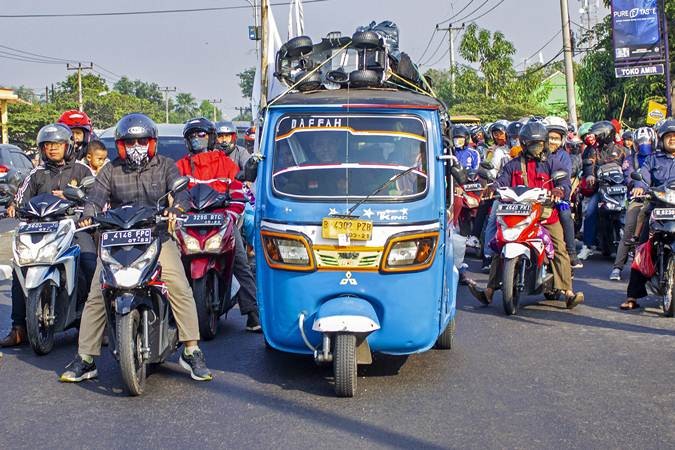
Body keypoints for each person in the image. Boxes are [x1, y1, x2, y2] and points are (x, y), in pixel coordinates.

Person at [59, 113, 212, 383]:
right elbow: (95, 198)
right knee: (97, 292)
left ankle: (191, 350)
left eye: (142, 140)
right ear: (120, 145)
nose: (136, 146)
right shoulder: (110, 169)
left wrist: (177, 207)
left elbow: (182, 193)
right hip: (117, 239)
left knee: (177, 285)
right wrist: (87, 213)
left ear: (152, 142)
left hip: (156, 236)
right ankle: (85, 358)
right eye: (130, 141)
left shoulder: (165, 166)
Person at [468, 121, 585, 309]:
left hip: (544, 214)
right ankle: (489, 292)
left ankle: (568, 292)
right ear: (524, 144)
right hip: (517, 213)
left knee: (558, 247)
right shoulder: (513, 165)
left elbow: (563, 181)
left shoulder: (552, 162)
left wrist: (559, 191)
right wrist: (492, 188)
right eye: (533, 144)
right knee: (501, 244)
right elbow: (501, 181)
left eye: (540, 143)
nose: (538, 148)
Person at [0, 124, 96, 347]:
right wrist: (14, 206)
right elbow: (21, 198)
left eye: (57, 145)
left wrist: (84, 210)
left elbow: (96, 198)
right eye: (47, 145)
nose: (52, 149)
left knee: (90, 265)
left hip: (74, 229)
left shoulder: (82, 171)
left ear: (68, 146)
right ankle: (18, 328)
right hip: (41, 231)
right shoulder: (36, 174)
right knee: (19, 268)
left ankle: (95, 325)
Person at [176, 117, 261, 332]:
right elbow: (173, 195)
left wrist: (231, 216)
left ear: (211, 138)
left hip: (221, 221)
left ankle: (253, 313)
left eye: (201, 135)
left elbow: (238, 193)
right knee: (171, 263)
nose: (197, 140)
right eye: (192, 136)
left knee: (240, 262)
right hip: (189, 224)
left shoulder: (225, 163)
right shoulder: (180, 166)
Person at [619, 118, 675, 310]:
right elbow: (643, 177)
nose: (672, 140)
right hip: (657, 206)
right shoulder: (652, 159)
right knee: (643, 248)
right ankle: (632, 296)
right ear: (661, 139)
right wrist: (640, 187)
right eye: (669, 137)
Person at [609, 127, 656, 280]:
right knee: (629, 230)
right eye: (640, 142)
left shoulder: (660, 157)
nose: (644, 145)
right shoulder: (630, 159)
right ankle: (617, 268)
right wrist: (637, 187)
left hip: (661, 198)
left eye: (647, 141)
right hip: (639, 198)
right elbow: (629, 177)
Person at [578, 120, 627, 260]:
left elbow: (628, 167)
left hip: (619, 189)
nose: (595, 136)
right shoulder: (593, 150)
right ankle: (587, 246)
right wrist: (590, 175)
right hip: (600, 189)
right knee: (590, 213)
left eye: (598, 134)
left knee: (628, 212)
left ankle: (629, 242)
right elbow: (588, 164)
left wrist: (631, 181)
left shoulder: (621, 150)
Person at [544, 116, 583, 269]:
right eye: (550, 137)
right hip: (535, 197)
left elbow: (565, 179)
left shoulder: (564, 156)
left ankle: (572, 253)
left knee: (566, 213)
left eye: (556, 138)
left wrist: (559, 191)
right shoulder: (536, 154)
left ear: (562, 140)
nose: (553, 141)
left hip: (559, 197)